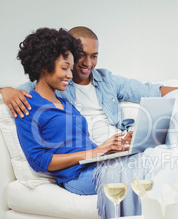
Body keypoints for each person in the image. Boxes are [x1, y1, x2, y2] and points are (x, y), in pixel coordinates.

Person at [0, 26, 178, 146]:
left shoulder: (107, 80)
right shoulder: (51, 83)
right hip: (93, 150)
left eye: (94, 56)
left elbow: (149, 90)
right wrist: (3, 91)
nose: (88, 63)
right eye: (81, 56)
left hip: (119, 144)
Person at [14, 27, 132, 196]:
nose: (70, 75)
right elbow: (38, 160)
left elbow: (81, 146)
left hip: (95, 165)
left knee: (149, 158)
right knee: (137, 174)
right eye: (64, 68)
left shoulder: (66, 104)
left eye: (70, 68)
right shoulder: (27, 106)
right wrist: (93, 153)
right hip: (77, 177)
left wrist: (110, 148)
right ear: (43, 67)